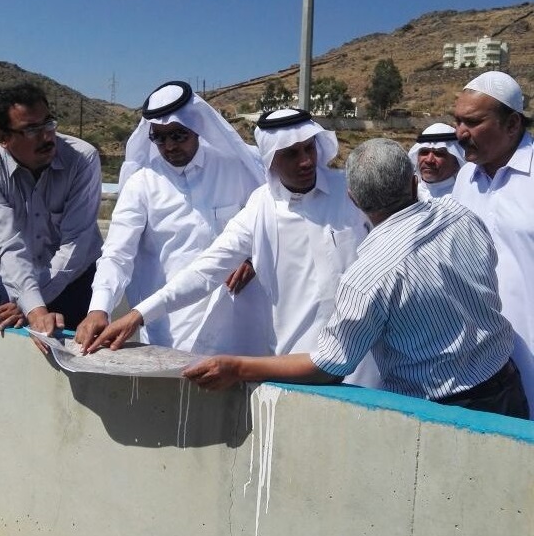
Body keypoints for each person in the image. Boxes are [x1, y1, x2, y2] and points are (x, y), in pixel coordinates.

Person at [183, 138, 528, 419]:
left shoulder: (369, 277)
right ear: (413, 183)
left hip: (443, 412)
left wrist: (238, 367)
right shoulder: (460, 214)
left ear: (353, 199)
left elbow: (328, 366)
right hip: (506, 385)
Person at [80, 108, 379, 387]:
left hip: (366, 359)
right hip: (296, 362)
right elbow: (204, 271)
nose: (306, 162)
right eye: (291, 153)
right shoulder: (260, 207)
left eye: (309, 148)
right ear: (271, 159)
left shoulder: (352, 192)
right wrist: (138, 314)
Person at [76, 81, 270, 355]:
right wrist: (99, 307)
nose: (169, 146)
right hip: (171, 326)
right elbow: (117, 253)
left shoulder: (235, 169)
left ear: (196, 127)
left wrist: (251, 258)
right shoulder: (141, 184)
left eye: (178, 135)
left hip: (234, 318)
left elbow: (266, 223)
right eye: (159, 137)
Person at [0, 82, 102, 338]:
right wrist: (33, 306)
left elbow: (76, 242)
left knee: (78, 353)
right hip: (16, 275)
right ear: (2, 137)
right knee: (16, 354)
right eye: (31, 130)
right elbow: (6, 247)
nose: (47, 137)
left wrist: (29, 305)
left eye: (48, 124)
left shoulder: (82, 159)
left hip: (76, 279)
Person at [452, 70, 534, 418]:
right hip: (480, 365)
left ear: (512, 124)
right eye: (457, 121)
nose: (460, 133)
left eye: (473, 122)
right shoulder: (464, 177)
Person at [407, 123, 465, 199]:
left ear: (456, 162)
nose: (429, 160)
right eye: (424, 152)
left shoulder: (463, 197)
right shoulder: (405, 194)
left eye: (438, 153)